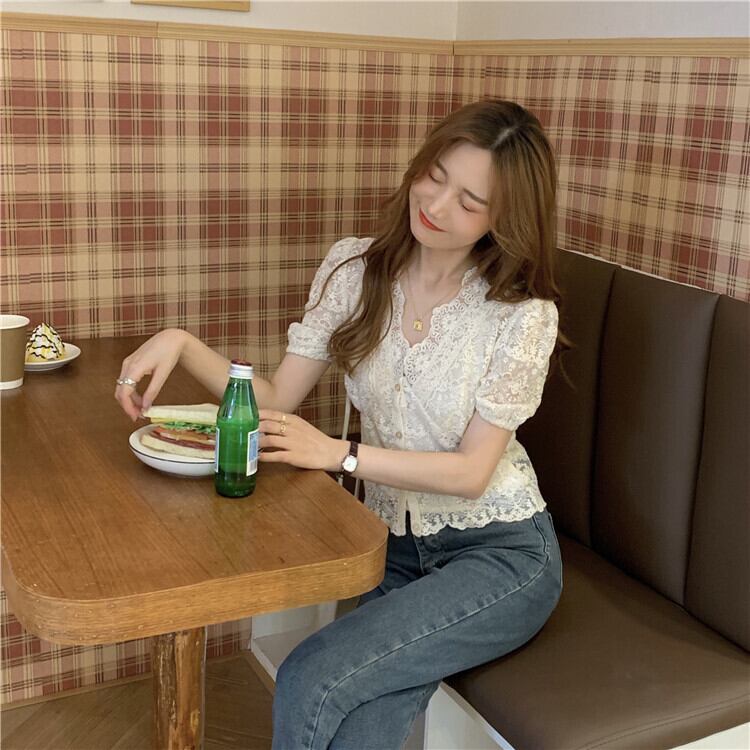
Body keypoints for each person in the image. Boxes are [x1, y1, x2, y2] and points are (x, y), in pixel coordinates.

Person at [115, 98, 570, 750]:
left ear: (504, 219)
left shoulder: (520, 315)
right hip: (393, 550)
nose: (436, 205)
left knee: (310, 676)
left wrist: (339, 454)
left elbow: (473, 472)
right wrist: (181, 343)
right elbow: (275, 399)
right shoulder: (355, 271)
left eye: (470, 201)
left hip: (501, 555)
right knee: (361, 725)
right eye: (435, 175)